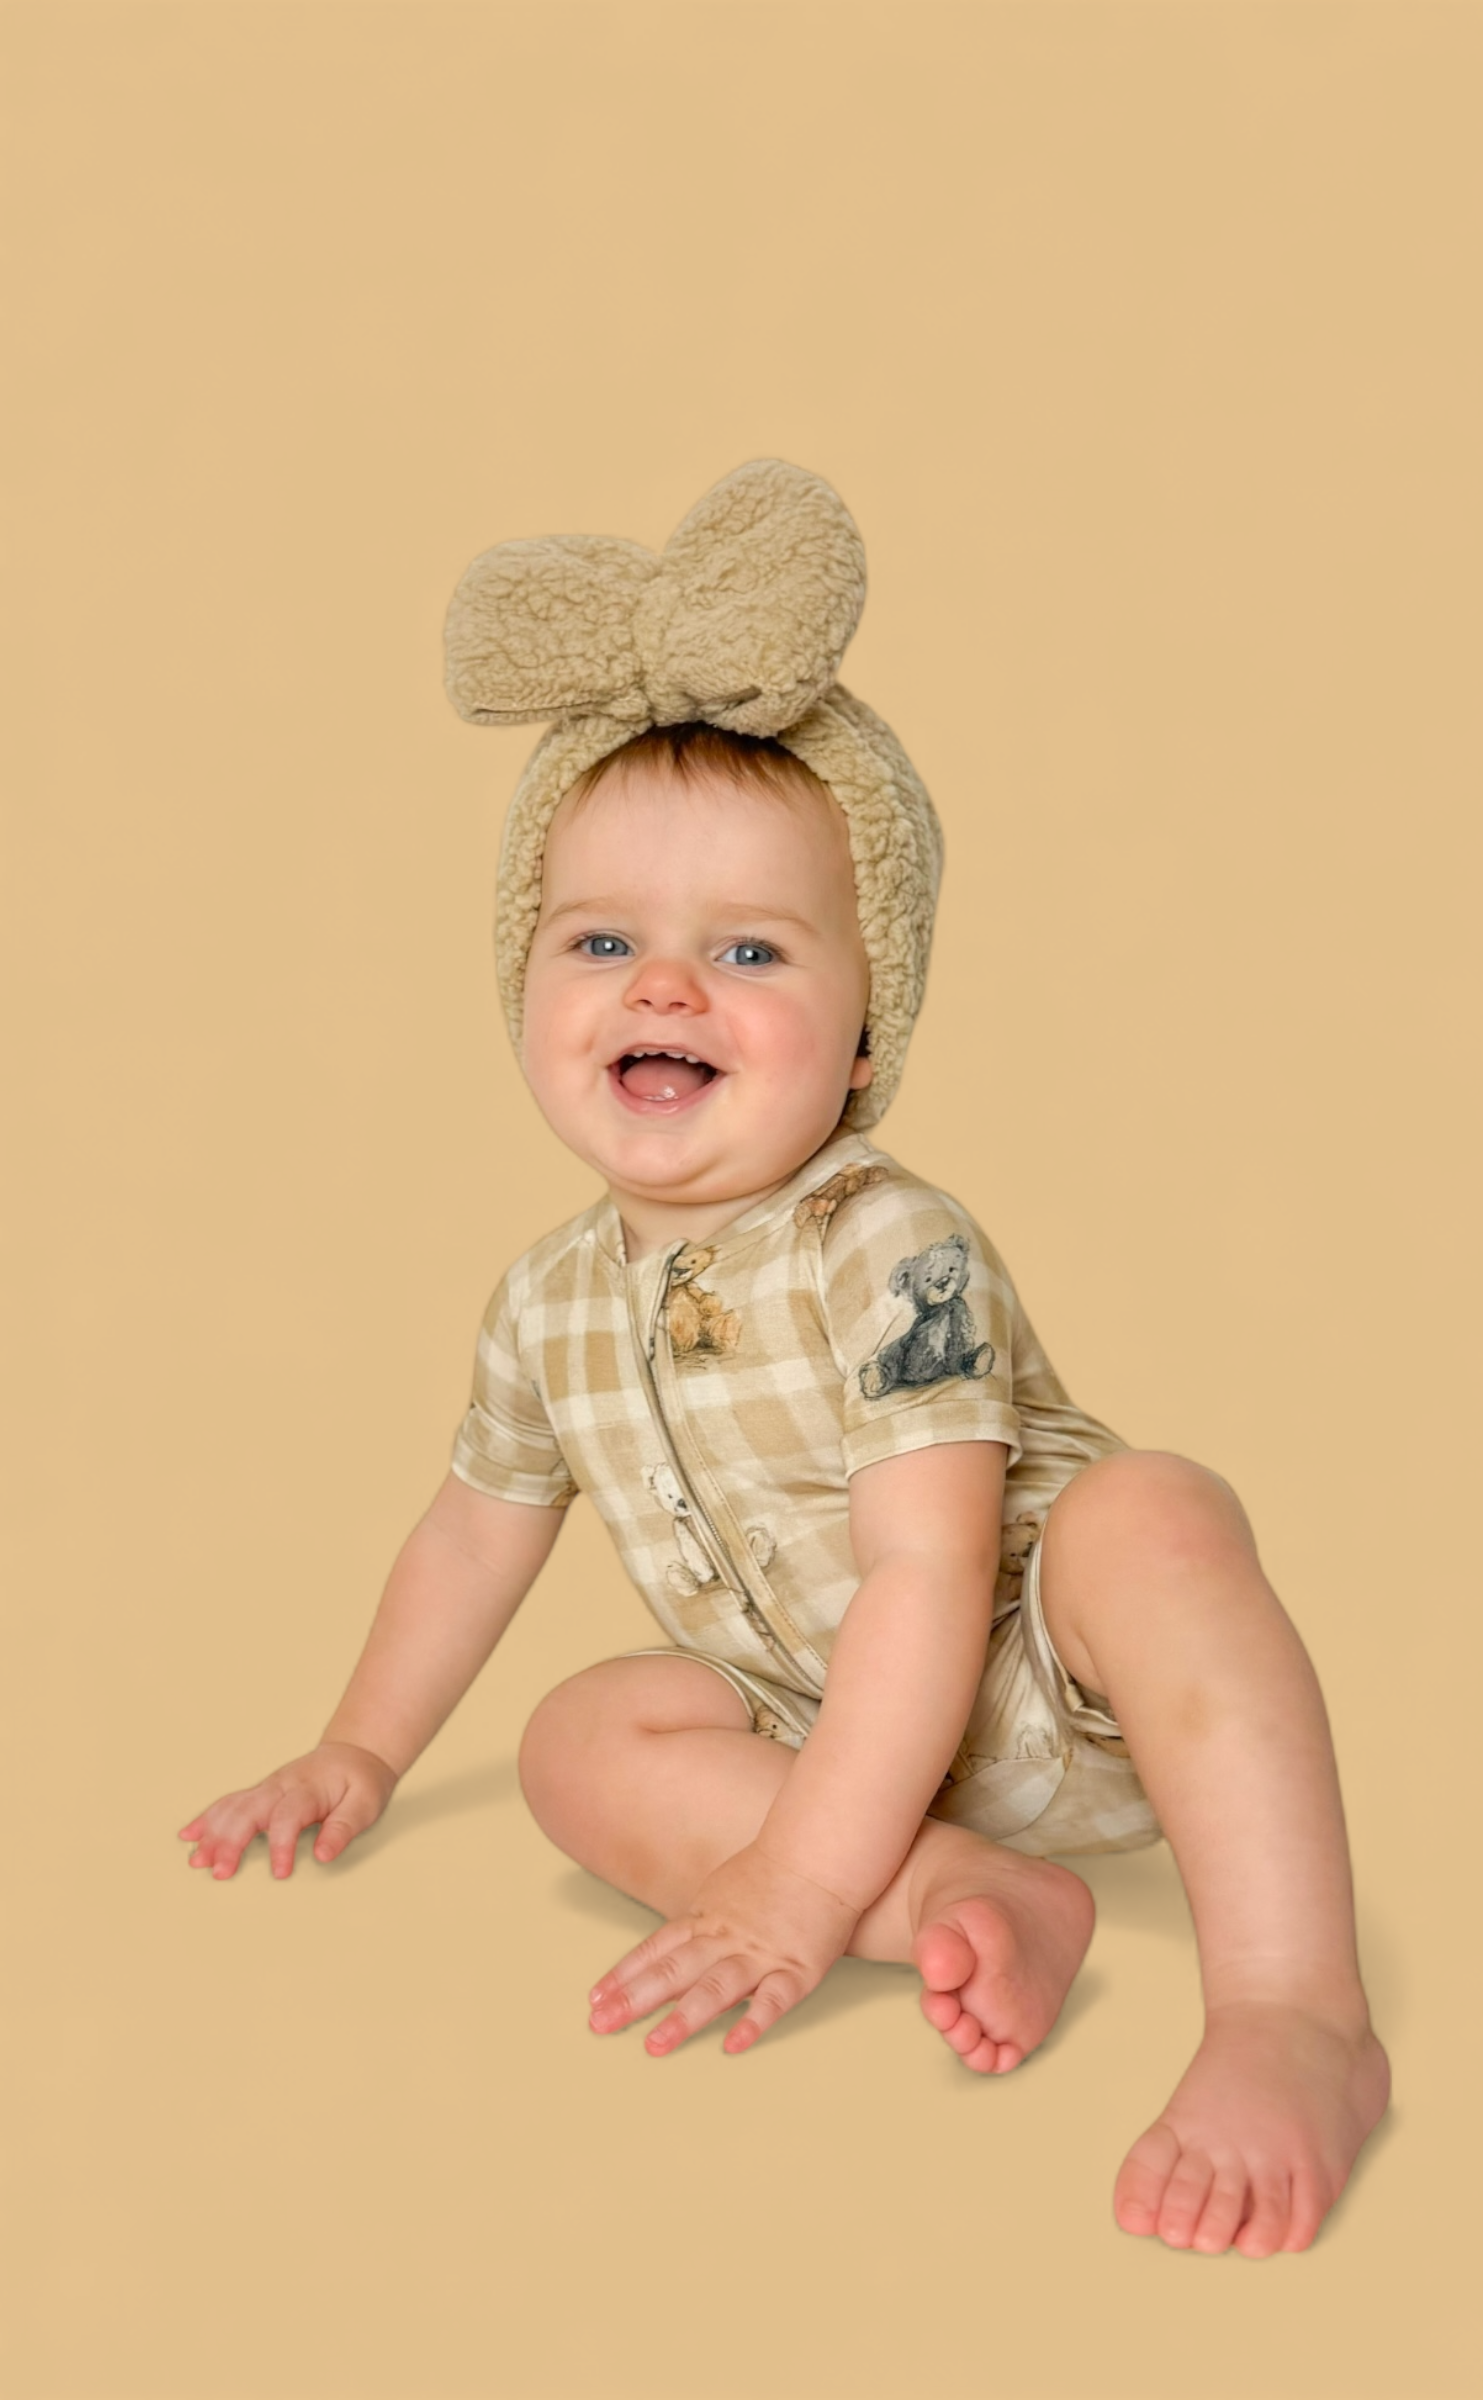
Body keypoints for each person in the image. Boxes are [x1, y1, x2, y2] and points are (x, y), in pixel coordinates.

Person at [178, 460, 1390, 2257]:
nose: (665, 987)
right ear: (523, 989)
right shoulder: (545, 1299)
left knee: (1155, 1514)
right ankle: (965, 1892)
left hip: (1041, 1677)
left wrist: (797, 1884)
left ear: (865, 1030)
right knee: (578, 1742)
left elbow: (930, 1569)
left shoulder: (886, 1242)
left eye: (748, 949)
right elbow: (469, 1534)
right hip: (818, 1721)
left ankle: (1296, 2009)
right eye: (603, 941)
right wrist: (358, 1747)